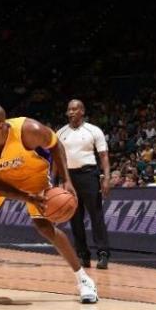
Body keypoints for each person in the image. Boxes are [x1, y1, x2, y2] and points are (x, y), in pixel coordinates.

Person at [0, 103, 98, 304]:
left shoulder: (29, 130)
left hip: (33, 178)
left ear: (0, 126)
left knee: (45, 227)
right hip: (0, 181)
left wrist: (67, 180)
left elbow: (56, 145)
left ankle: (83, 280)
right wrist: (26, 197)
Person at [56, 100, 111, 269]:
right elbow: (58, 159)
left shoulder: (94, 130)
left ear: (82, 111)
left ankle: (102, 254)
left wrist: (107, 178)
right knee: (75, 218)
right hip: (69, 177)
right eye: (69, 109)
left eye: (75, 109)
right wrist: (58, 181)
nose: (71, 112)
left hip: (89, 174)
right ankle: (83, 255)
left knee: (96, 215)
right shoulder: (60, 133)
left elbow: (103, 156)